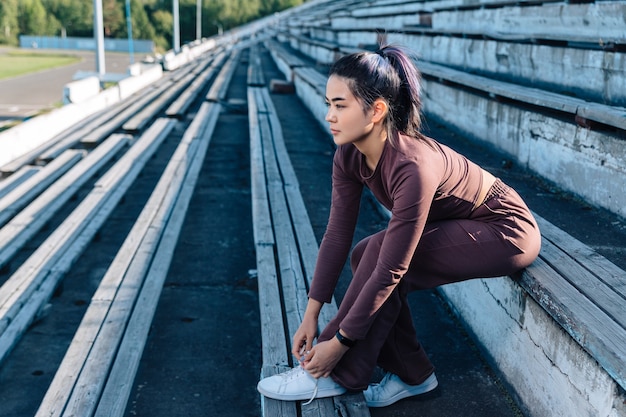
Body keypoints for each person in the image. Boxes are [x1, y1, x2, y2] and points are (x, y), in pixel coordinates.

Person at [257, 44, 541, 408]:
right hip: (459, 220)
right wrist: (311, 315)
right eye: (329, 103)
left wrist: (338, 343)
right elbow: (337, 234)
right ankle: (415, 374)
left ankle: (331, 375)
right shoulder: (349, 154)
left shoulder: (412, 167)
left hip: (504, 228)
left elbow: (392, 268)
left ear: (376, 110)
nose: (330, 115)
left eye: (340, 105)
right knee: (364, 252)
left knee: (382, 258)